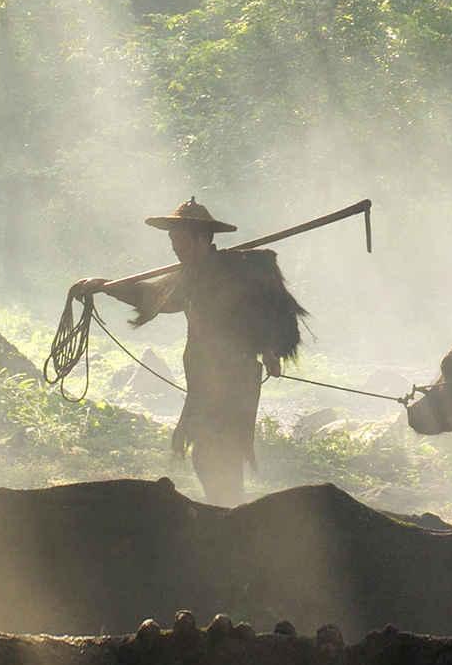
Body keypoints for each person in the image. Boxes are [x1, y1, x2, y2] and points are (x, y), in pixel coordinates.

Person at [71, 198, 306, 507]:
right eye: (172, 240)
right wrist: (103, 286)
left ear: (199, 239)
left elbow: (263, 311)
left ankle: (230, 518)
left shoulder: (235, 272)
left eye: (178, 239)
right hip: (205, 381)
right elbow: (156, 299)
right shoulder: (192, 276)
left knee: (216, 458)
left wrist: (270, 351)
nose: (174, 247)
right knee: (209, 459)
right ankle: (229, 513)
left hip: (232, 381)